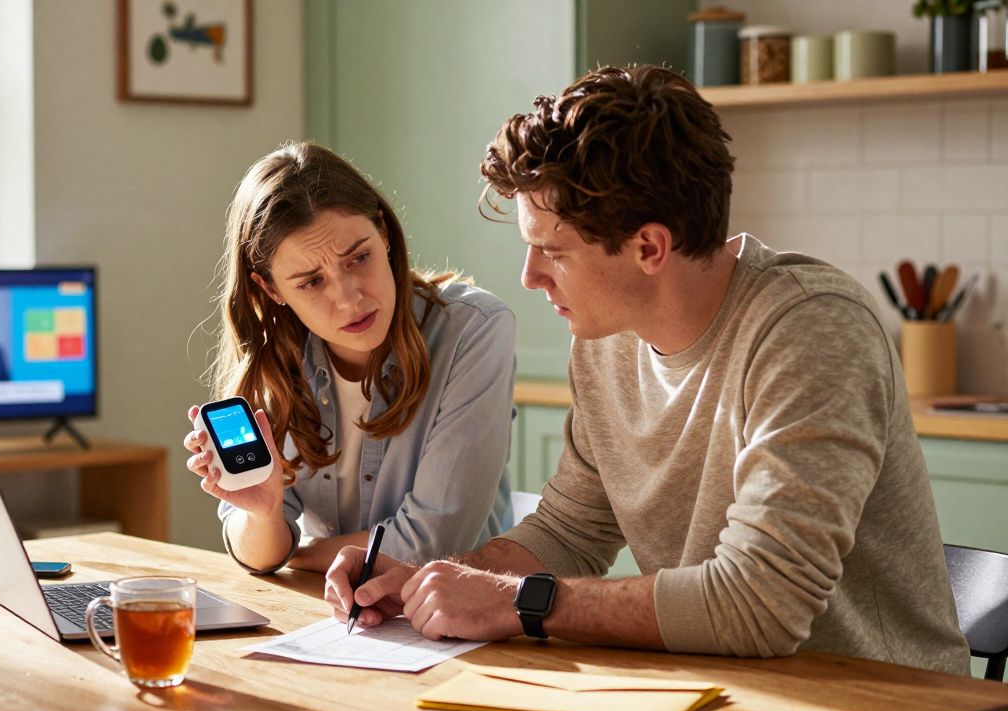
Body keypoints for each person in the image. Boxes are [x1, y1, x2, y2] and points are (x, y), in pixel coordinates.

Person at [324, 65, 969, 675]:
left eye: (553, 251)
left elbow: (762, 604)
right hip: (721, 691)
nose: (530, 276)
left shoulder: (811, 330)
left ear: (649, 247)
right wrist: (432, 583)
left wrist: (520, 602)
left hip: (885, 707)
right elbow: (569, 530)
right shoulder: (609, 337)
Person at [183, 141, 516, 574]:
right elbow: (257, 554)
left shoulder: (474, 329)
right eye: (310, 282)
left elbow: (432, 545)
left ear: (384, 233)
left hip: (451, 608)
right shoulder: (276, 358)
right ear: (270, 289)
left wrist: (294, 553)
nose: (349, 298)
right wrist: (264, 516)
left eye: (359, 258)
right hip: (325, 607)